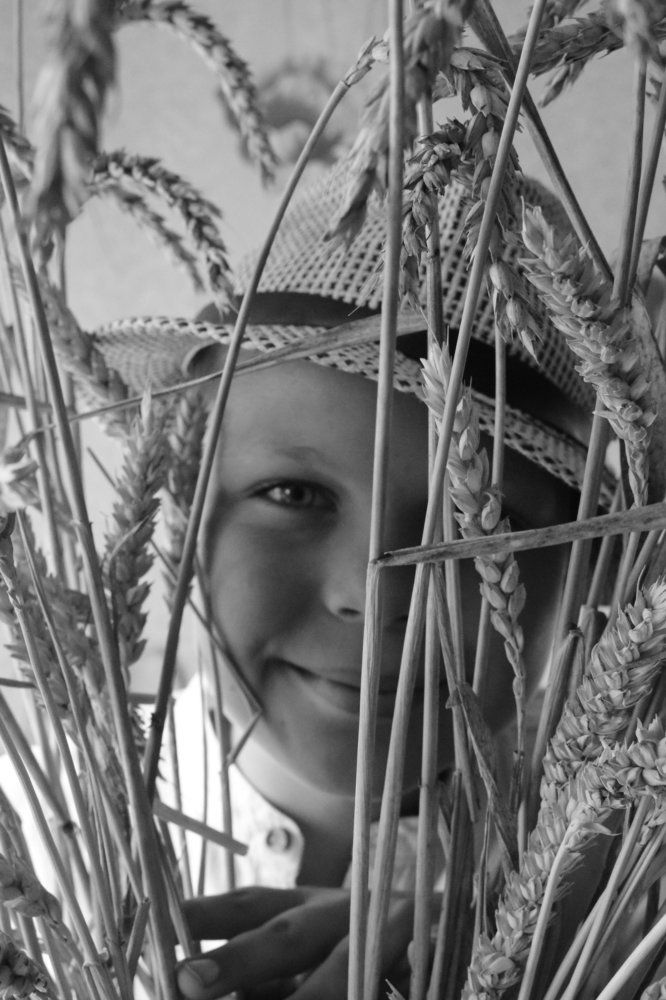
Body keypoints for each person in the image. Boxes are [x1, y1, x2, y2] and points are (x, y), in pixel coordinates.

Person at [95, 160, 613, 999]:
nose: (375, 597)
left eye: (476, 523)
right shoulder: (36, 829)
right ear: (182, 507)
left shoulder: (619, 903)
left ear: (579, 566)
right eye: (292, 495)